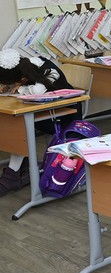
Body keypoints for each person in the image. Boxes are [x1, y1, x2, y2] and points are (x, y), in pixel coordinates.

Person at [0, 48, 78, 196]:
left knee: (19, 126)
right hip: (41, 112)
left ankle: (12, 174)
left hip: (63, 114)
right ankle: (19, 168)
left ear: (21, 78)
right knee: (14, 123)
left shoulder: (47, 69)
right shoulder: (24, 68)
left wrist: (19, 88)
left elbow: (38, 90)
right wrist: (9, 86)